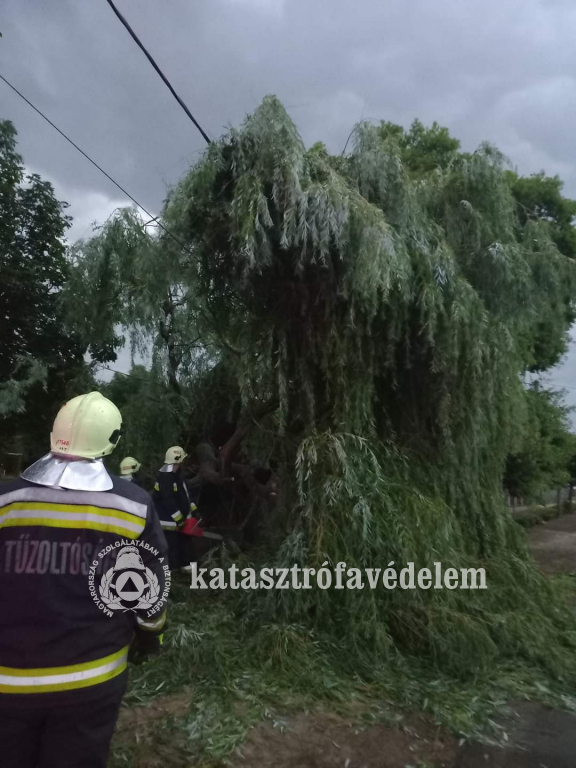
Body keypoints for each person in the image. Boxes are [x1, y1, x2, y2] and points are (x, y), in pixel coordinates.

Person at [0, 392, 168, 768]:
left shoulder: (5, 500)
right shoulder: (133, 505)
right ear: (112, 440)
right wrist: (151, 637)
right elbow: (149, 596)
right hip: (90, 680)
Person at [152, 446, 195, 571]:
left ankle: (185, 566)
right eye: (180, 461)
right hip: (168, 521)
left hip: (179, 520)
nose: (181, 464)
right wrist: (179, 518)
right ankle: (170, 571)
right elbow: (168, 500)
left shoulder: (177, 476)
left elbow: (185, 495)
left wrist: (192, 510)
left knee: (184, 542)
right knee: (171, 545)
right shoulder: (165, 478)